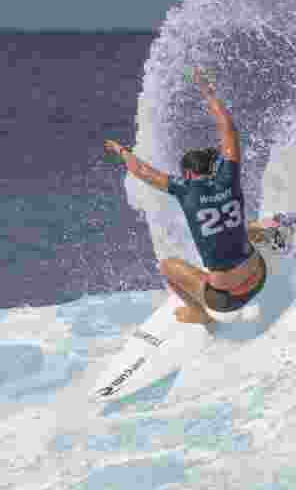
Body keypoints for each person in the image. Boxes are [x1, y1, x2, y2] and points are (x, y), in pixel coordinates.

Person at [104, 68, 274, 326]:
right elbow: (228, 129)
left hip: (226, 301)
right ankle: (277, 237)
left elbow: (140, 170)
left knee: (167, 266)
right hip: (259, 278)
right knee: (245, 229)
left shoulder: (184, 189)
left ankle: (202, 314)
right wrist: (207, 92)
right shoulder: (228, 175)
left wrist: (121, 150)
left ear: (187, 174)